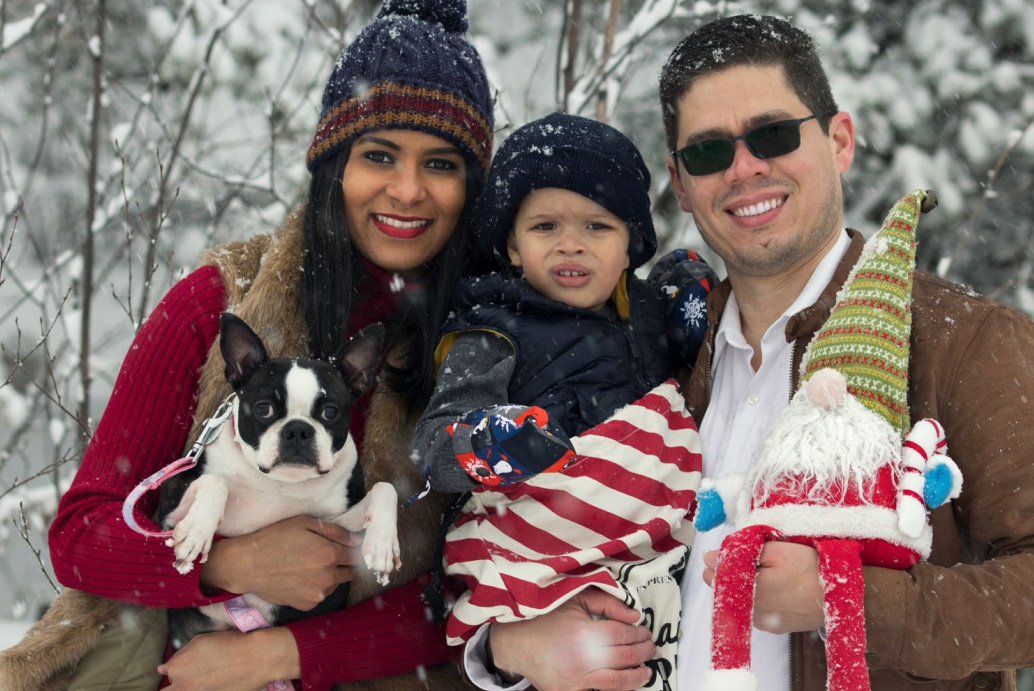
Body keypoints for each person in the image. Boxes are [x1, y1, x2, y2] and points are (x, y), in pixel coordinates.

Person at [468, 14, 1034, 691]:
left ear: (840, 140)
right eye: (709, 152)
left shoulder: (959, 340)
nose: (744, 168)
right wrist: (508, 647)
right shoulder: (660, 357)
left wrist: (848, 600)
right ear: (680, 184)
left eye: (772, 134)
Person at [40, 0, 495, 689]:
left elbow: (479, 589)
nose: (408, 190)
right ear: (333, 166)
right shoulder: (218, 302)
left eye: (440, 162)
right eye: (378, 155)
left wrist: (283, 655)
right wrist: (226, 563)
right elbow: (78, 538)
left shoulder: (487, 342)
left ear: (471, 186)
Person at [411, 112, 714, 688]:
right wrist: (491, 441)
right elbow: (434, 445)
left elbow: (701, 381)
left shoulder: (647, 316)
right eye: (545, 226)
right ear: (513, 247)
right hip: (545, 554)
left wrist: (691, 295)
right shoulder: (490, 327)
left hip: (649, 547)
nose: (570, 243)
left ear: (632, 247)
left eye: (598, 227)